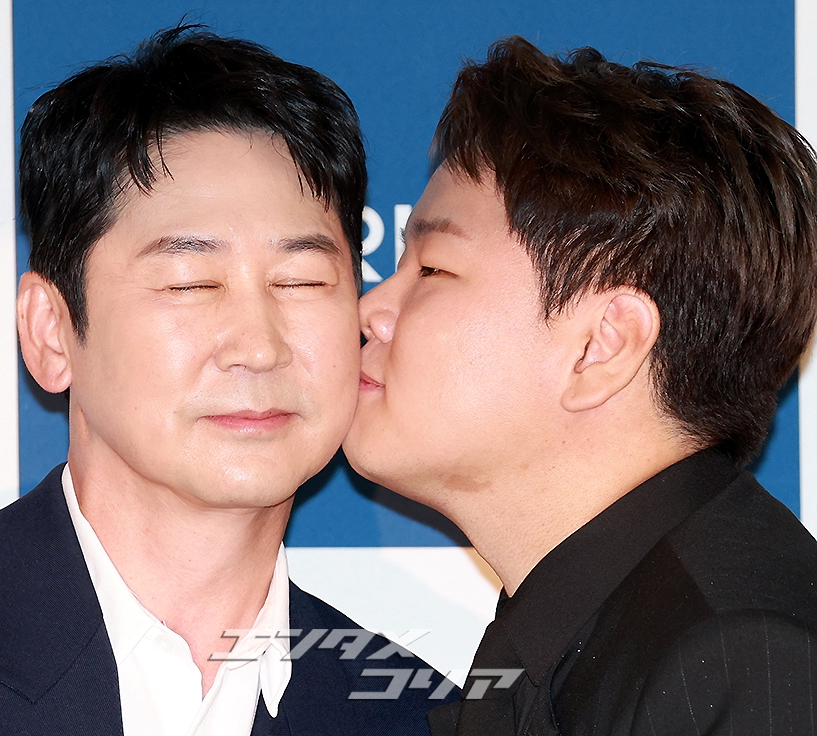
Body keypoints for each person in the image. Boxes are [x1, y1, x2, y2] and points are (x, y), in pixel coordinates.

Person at [0, 26, 453, 735]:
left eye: (301, 279)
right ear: (51, 330)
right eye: (191, 282)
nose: (258, 348)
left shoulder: (421, 716)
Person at [343, 35, 817, 735]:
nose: (372, 310)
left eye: (433, 268)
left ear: (602, 346)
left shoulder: (740, 662)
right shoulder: (582, 637)